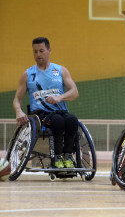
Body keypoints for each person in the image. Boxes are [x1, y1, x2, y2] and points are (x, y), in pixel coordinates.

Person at [13, 37, 79, 168]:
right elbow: (17, 99)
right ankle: (58, 157)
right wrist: (19, 111)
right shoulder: (27, 74)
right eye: (35, 52)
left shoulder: (60, 70)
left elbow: (74, 92)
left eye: (41, 51)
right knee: (58, 121)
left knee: (72, 120)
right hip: (40, 115)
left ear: (49, 50)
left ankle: (68, 156)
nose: (38, 55)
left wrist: (59, 98)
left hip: (60, 111)